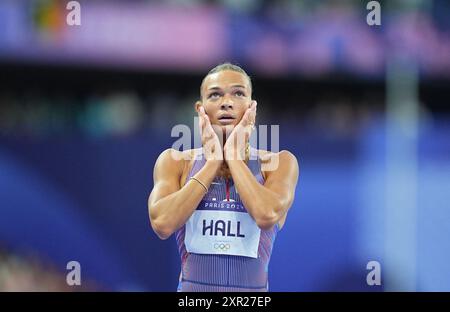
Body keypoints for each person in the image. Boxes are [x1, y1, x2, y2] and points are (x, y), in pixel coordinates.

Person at [148, 63, 299, 291]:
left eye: (238, 93)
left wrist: (234, 159)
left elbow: (266, 215)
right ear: (201, 109)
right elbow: (162, 223)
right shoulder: (175, 161)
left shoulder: (278, 163)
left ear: (252, 107)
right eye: (215, 94)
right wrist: (212, 163)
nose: (226, 102)